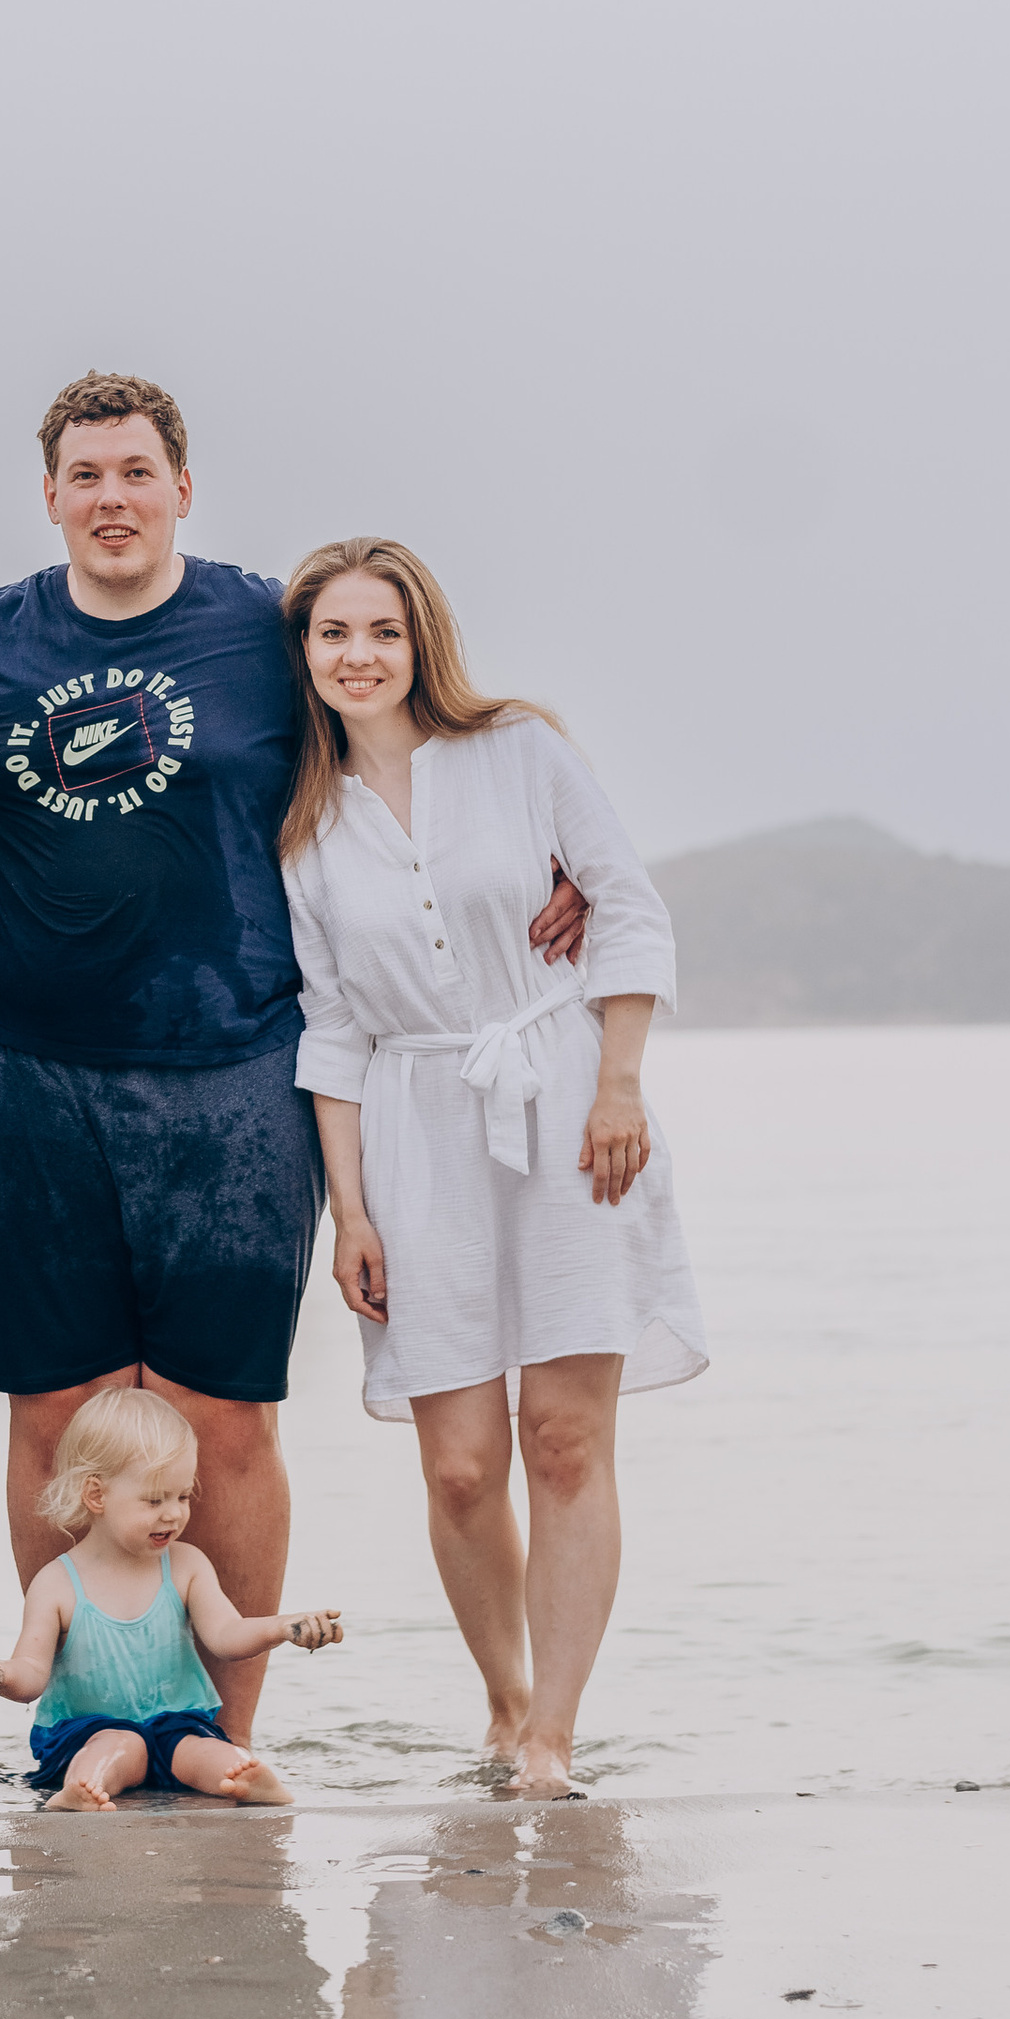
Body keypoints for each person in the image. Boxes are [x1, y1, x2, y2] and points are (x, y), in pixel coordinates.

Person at [0, 369, 587, 1740]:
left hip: (233, 1074)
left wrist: (550, 861)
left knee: (225, 1422)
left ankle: (223, 1726)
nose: (112, 498)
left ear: (182, 489)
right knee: (54, 1421)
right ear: (50, 495)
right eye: (86, 476)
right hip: (26, 1077)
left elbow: (402, 727)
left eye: (136, 472)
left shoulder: (261, 628)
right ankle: (84, 1722)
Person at [276, 538, 707, 1799]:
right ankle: (503, 1697)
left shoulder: (519, 753)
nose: (359, 656)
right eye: (332, 635)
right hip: (412, 1133)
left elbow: (624, 904)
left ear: (422, 646)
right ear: (302, 657)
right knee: (460, 1461)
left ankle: (554, 1739)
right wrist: (348, 1212)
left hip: (566, 1105)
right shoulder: (303, 824)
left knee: (566, 1439)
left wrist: (619, 1079)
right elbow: (333, 1028)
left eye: (382, 633)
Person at [0, 1388, 343, 1808]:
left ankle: (244, 1776)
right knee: (118, 1745)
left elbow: (227, 1635)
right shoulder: (57, 1583)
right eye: (155, 1500)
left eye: (182, 1495)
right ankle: (82, 1790)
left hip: (175, 1726)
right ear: (97, 1496)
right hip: (86, 1732)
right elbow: (32, 1674)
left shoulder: (186, 1565)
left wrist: (282, 1627)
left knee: (201, 1749)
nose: (173, 1513)